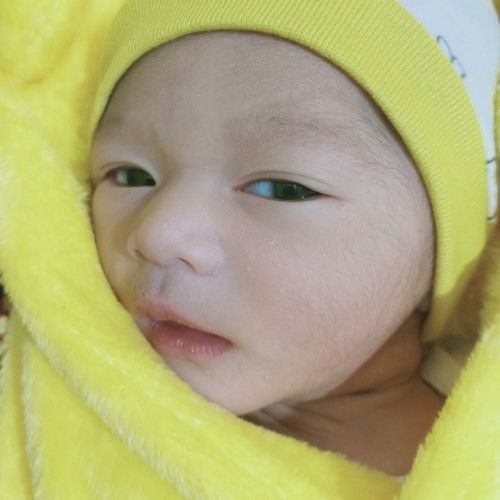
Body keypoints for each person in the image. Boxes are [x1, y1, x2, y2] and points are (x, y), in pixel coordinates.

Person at [0, 0, 498, 497]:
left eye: (283, 189)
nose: (157, 234)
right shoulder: (42, 392)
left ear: (437, 260)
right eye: (130, 176)